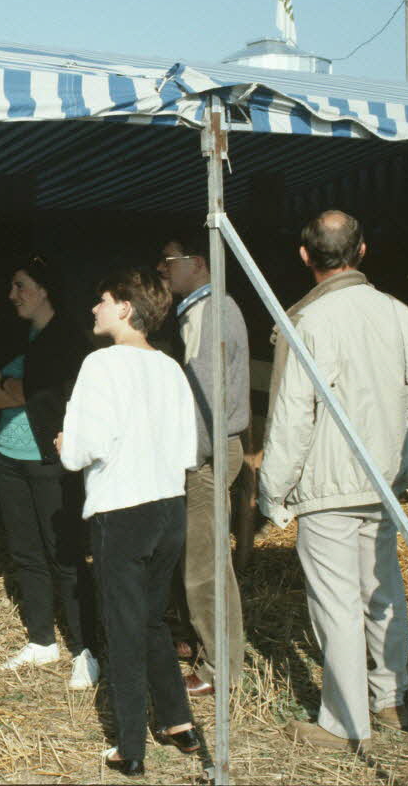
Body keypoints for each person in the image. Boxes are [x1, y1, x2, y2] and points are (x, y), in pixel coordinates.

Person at [259, 210, 408, 751]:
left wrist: (273, 490)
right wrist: (397, 461)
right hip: (382, 482)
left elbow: (293, 415)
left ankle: (343, 723)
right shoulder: (402, 314)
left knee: (335, 603)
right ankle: (390, 699)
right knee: (381, 591)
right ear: (361, 252)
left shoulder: (310, 322)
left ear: (306, 256)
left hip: (329, 485)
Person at [57, 267, 202, 777]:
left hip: (123, 510)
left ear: (124, 307)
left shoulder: (100, 365)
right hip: (169, 506)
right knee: (150, 619)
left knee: (121, 629)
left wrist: (64, 444)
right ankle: (179, 721)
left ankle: (130, 747)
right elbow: (190, 449)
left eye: (101, 300)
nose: (94, 309)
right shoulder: (170, 368)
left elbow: (79, 452)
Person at [0, 256, 99, 687]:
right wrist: (17, 394)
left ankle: (87, 648)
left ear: (45, 289)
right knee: (26, 552)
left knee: (65, 554)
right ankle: (42, 640)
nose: (13, 296)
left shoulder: (68, 340)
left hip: (50, 458)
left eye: (21, 286)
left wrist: (15, 391)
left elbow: (51, 396)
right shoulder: (16, 334)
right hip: (7, 455)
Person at [156, 230, 249, 698]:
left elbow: (207, 395)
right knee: (204, 561)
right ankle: (212, 650)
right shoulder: (199, 310)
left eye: (169, 261)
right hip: (208, 449)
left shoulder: (213, 311)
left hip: (208, 452)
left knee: (205, 566)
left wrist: (190, 458)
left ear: (197, 261)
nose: (163, 269)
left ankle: (220, 667)